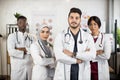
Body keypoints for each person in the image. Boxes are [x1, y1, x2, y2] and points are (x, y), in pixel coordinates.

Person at [53, 7, 96, 80]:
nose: (74, 20)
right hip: (63, 74)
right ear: (68, 19)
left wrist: (73, 54)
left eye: (77, 18)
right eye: (71, 17)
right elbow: (59, 56)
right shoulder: (60, 35)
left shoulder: (87, 36)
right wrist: (77, 60)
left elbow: (92, 55)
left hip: (82, 73)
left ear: (80, 20)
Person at [7, 16, 35, 80]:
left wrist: (24, 49)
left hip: (29, 67)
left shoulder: (32, 37)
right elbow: (11, 52)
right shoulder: (12, 36)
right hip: (18, 68)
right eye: (20, 22)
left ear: (26, 24)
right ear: (17, 24)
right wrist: (28, 50)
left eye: (24, 22)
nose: (23, 24)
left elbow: (35, 50)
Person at [87, 16, 111, 80]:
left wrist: (90, 53)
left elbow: (107, 55)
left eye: (95, 24)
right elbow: (83, 54)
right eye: (90, 24)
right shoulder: (86, 38)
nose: (93, 27)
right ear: (88, 26)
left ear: (99, 25)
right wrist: (97, 52)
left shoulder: (105, 38)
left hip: (101, 71)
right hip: (88, 70)